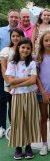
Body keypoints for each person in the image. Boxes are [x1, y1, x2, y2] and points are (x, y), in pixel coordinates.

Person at [5, 38, 41, 159]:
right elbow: (10, 80)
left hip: (30, 95)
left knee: (29, 120)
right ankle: (18, 147)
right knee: (17, 121)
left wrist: (16, 84)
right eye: (23, 47)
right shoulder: (12, 63)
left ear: (31, 50)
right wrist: (25, 79)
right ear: (18, 48)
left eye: (28, 48)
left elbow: (33, 80)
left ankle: (28, 146)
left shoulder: (31, 63)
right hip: (17, 96)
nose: (25, 50)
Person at [0, 28, 24, 137]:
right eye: (13, 36)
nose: (15, 38)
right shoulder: (6, 50)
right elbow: (3, 67)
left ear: (21, 37)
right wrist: (9, 82)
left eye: (18, 36)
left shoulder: (24, 50)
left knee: (21, 105)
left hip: (22, 84)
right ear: (10, 37)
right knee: (12, 105)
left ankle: (22, 128)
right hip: (9, 84)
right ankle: (13, 128)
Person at [0, 9, 20, 138]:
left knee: (13, 101)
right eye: (12, 17)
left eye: (16, 17)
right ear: (8, 18)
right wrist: (6, 77)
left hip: (17, 73)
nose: (13, 19)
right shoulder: (1, 31)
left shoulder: (20, 34)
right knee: (1, 99)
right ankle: (1, 126)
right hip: (3, 68)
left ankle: (14, 127)